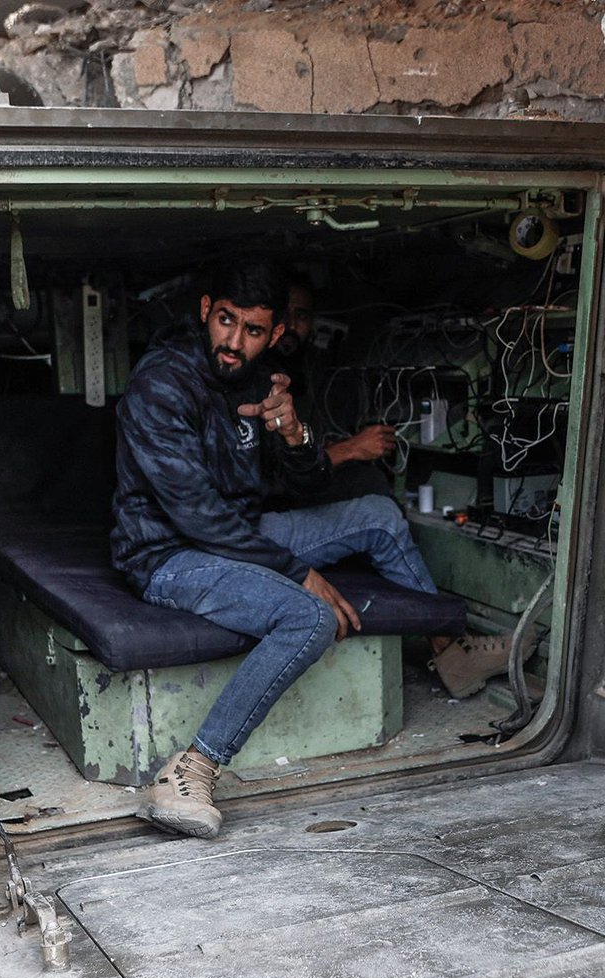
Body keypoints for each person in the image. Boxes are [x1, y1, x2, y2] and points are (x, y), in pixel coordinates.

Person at [110, 257, 441, 840]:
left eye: (253, 330)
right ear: (205, 310)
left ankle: (447, 648)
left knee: (379, 517)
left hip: (244, 530)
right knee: (307, 615)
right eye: (225, 321)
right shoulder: (160, 384)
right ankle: (190, 771)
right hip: (166, 554)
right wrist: (296, 571)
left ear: (276, 334)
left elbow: (309, 482)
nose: (234, 342)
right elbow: (197, 515)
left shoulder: (262, 380)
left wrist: (295, 433)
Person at [267, 275, 398, 505]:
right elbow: (275, 481)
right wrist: (351, 448)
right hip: (271, 507)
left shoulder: (305, 371)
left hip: (303, 488)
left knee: (369, 481)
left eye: (302, 316)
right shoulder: (256, 376)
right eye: (284, 315)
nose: (291, 326)